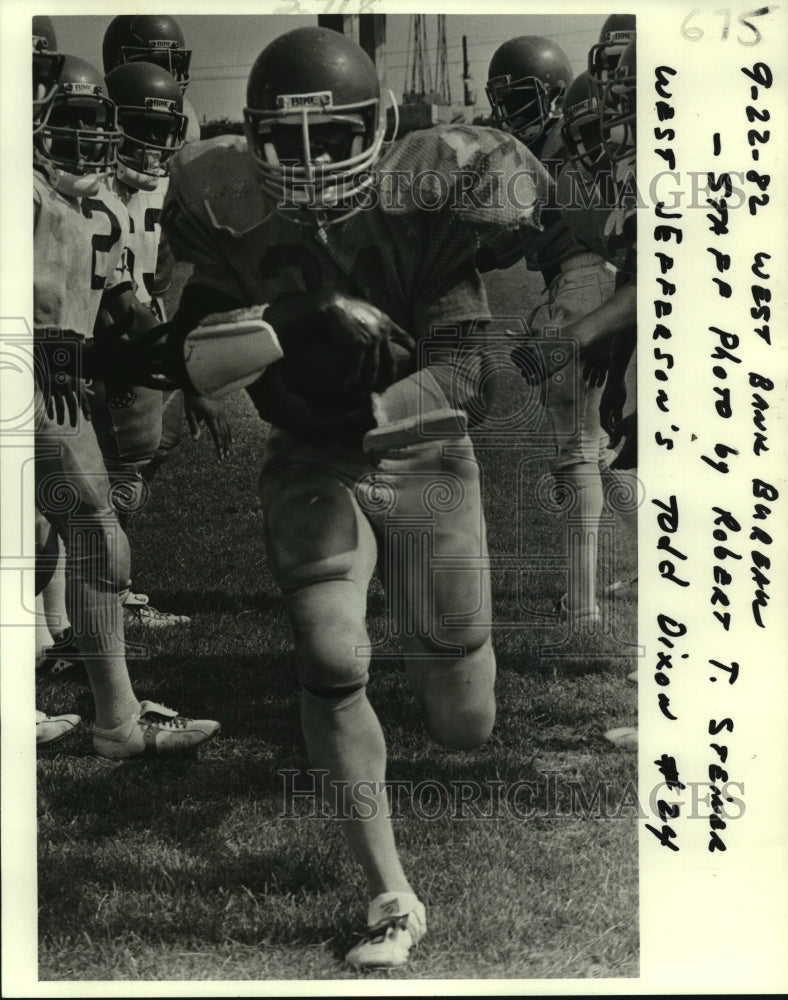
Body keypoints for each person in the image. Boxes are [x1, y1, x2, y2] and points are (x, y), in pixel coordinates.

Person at [159, 25, 549, 967]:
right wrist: (266, 336)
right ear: (248, 139)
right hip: (313, 458)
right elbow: (195, 349)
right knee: (332, 653)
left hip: (423, 455)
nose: (309, 161)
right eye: (285, 141)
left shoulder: (427, 199)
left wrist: (366, 379)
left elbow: (466, 373)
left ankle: (437, 679)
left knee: (463, 719)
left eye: (333, 137)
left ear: (375, 128)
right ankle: (389, 894)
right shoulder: (227, 204)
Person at [32, 44, 221, 757]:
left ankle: (116, 718)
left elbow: (121, 315)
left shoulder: (85, 211)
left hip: (53, 383)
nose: (82, 141)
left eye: (94, 125)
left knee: (85, 537)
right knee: (83, 533)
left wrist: (190, 361)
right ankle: (114, 721)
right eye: (67, 122)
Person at [485, 30, 637, 626]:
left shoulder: (564, 149)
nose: (507, 114)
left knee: (576, 451)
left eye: (519, 99)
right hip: (587, 287)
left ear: (552, 98)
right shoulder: (563, 145)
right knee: (594, 451)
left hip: (586, 289)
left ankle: (581, 605)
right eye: (501, 101)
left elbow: (502, 245)